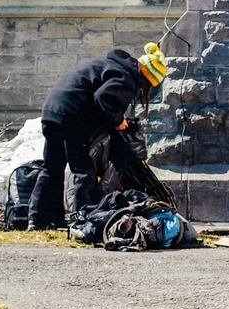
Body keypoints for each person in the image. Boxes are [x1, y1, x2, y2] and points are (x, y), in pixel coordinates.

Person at [29, 42, 169, 230]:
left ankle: (38, 220)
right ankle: (80, 221)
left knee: (52, 167)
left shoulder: (111, 66)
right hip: (72, 116)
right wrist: (118, 119)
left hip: (52, 112)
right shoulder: (127, 78)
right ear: (147, 78)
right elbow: (103, 99)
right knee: (83, 169)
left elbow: (101, 96)